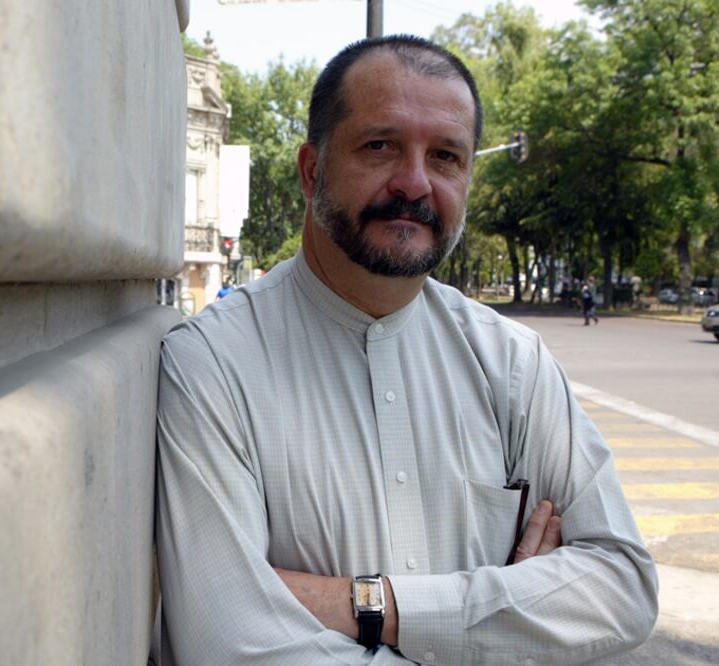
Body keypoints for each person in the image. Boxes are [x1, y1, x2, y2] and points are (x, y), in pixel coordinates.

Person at [154, 35, 656, 665]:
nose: (415, 183)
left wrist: (371, 606)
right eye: (380, 146)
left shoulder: (513, 363)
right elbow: (235, 645)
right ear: (312, 170)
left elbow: (622, 586)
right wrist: (508, 616)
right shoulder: (212, 366)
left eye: (446, 156)